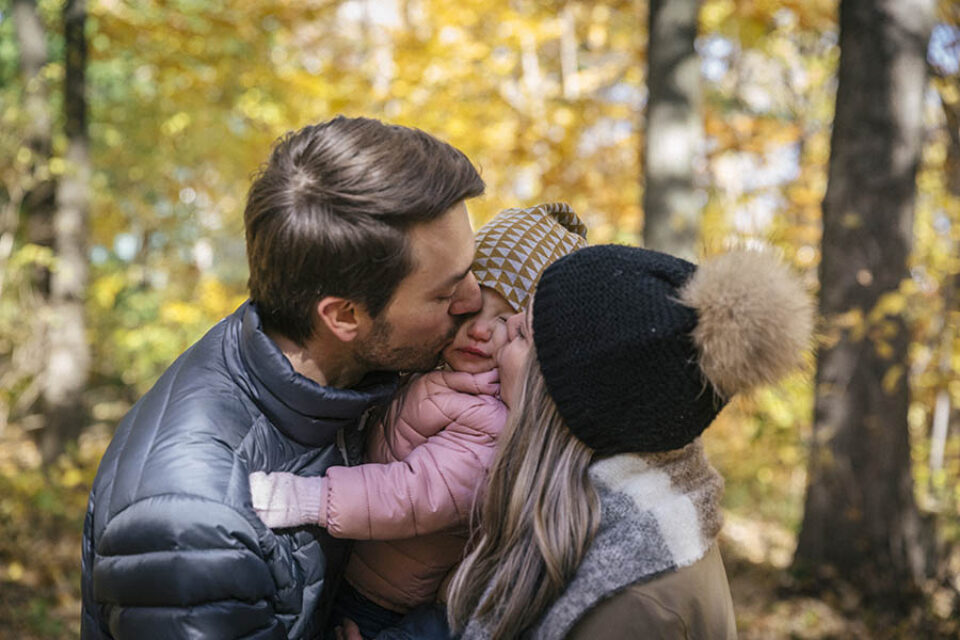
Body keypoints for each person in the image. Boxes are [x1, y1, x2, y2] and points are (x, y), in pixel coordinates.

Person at [80, 116, 488, 639]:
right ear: (342, 317)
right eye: (444, 292)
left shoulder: (346, 371)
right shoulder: (194, 529)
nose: (475, 300)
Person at [247, 203, 589, 640]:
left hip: (379, 602)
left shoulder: (493, 420)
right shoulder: (428, 364)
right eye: (471, 309)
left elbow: (412, 493)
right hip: (346, 556)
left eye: (506, 322)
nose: (481, 330)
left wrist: (309, 498)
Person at [446, 245, 813, 639]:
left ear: (557, 398)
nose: (503, 329)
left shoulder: (628, 605)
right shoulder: (615, 527)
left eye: (520, 333)